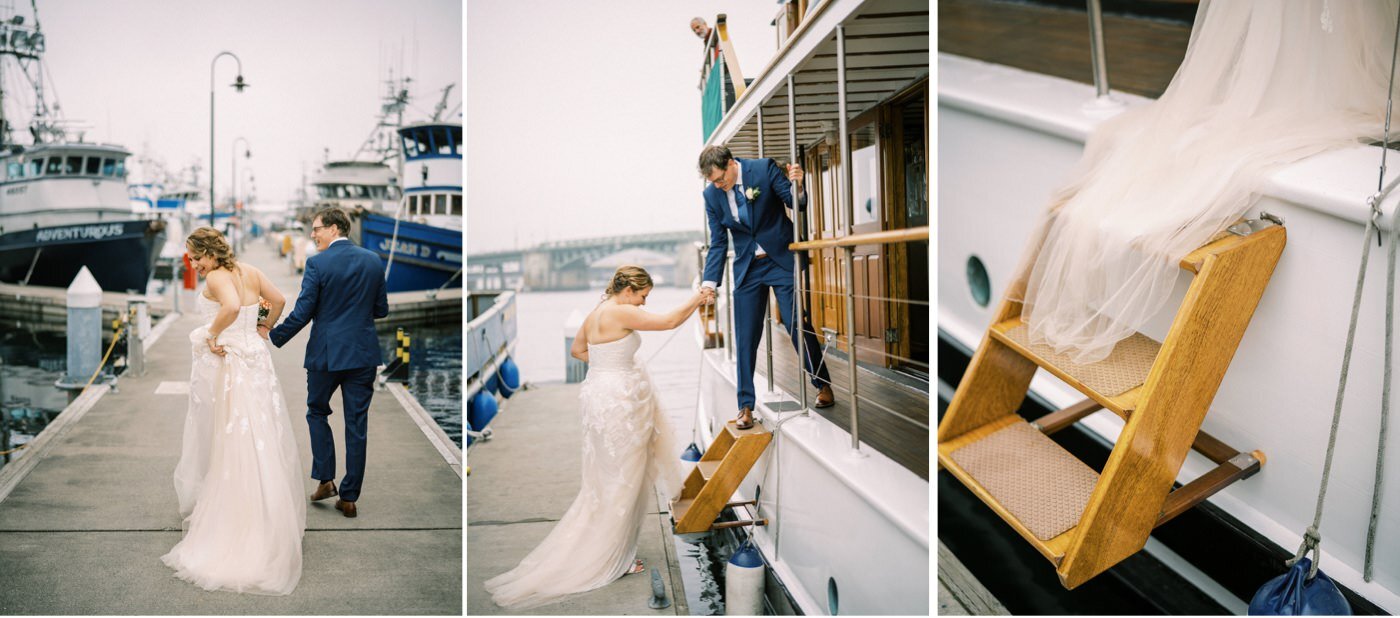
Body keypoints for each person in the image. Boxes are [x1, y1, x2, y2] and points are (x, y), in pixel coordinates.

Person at [485, 266, 702, 610]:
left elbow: (577, 351)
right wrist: (698, 297)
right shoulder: (622, 311)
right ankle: (614, 558)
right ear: (629, 289)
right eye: (644, 296)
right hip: (620, 400)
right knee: (625, 480)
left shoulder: (596, 312)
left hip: (598, 395)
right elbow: (670, 322)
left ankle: (608, 544)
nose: (645, 303)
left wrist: (608, 363)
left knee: (606, 476)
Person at [162, 227, 305, 595]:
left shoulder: (218, 276)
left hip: (232, 362)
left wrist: (211, 335)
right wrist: (264, 325)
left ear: (210, 253)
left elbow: (227, 308)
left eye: (196, 256)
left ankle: (238, 522)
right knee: (262, 434)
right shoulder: (249, 271)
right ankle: (269, 517)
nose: (194, 263)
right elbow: (278, 299)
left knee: (232, 435)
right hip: (256, 358)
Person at [698, 144, 833, 430]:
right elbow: (719, 242)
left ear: (731, 163)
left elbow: (796, 203)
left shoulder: (763, 168)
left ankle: (821, 383)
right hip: (747, 268)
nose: (719, 186)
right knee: (745, 338)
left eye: (721, 179)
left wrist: (798, 185)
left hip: (781, 259)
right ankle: (745, 406)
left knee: (796, 323)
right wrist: (709, 283)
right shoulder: (711, 195)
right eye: (713, 182)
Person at [267, 207, 389, 518]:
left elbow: (304, 310)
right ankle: (349, 498)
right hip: (362, 354)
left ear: (334, 228)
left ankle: (326, 479)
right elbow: (381, 310)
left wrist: (273, 333)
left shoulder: (317, 263)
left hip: (326, 355)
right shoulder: (374, 261)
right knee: (356, 426)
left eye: (317, 228)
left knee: (317, 411)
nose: (312, 234)